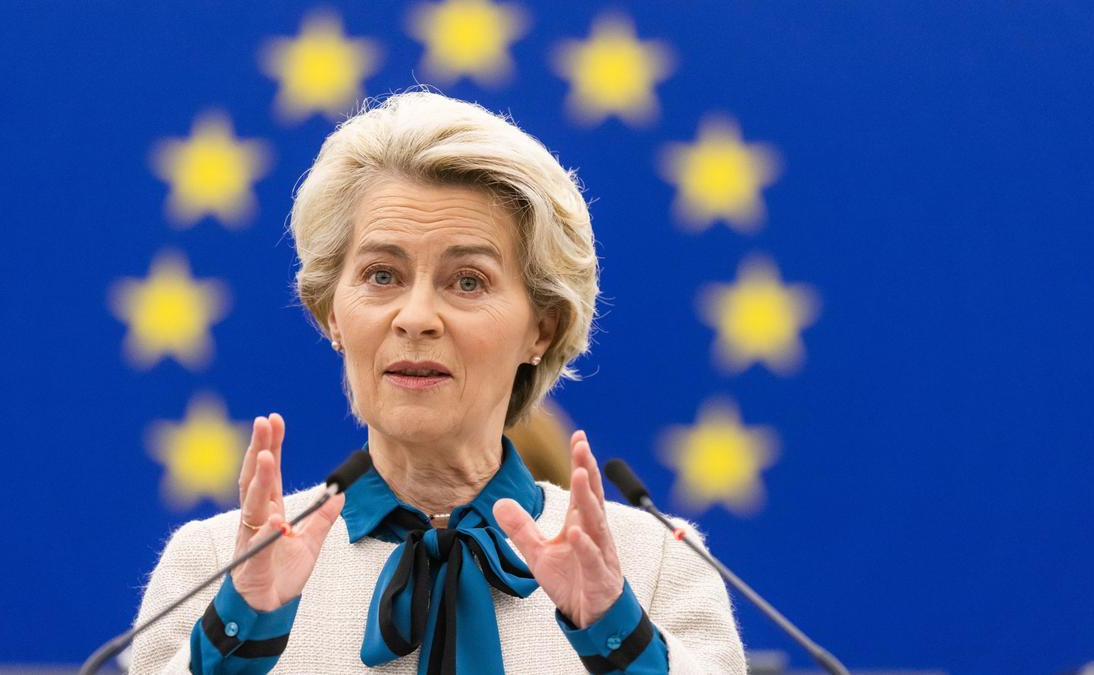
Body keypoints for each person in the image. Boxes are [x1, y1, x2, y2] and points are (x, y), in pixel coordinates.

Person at [129, 89, 747, 674]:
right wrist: (239, 635)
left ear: (542, 327)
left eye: (468, 281)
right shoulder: (219, 566)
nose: (417, 318)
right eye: (381, 275)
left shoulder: (658, 563)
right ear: (330, 313)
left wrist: (618, 635)